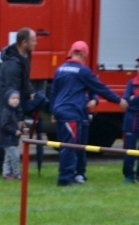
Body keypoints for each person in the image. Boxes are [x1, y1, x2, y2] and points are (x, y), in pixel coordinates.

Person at [49, 41, 127, 186]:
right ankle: (65, 178)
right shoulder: (83, 71)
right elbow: (100, 88)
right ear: (84, 55)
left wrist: (53, 111)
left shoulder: (60, 70)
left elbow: (54, 92)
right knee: (71, 146)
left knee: (70, 145)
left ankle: (74, 174)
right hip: (72, 113)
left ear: (71, 53)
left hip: (62, 112)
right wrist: (119, 101)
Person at [0, 28, 36, 176]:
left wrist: (30, 91)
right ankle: (3, 169)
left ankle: (8, 169)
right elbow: (12, 92)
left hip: (12, 99)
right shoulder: (12, 64)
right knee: (5, 137)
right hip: (4, 103)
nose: (36, 43)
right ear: (24, 43)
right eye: (33, 40)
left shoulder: (26, 54)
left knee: (12, 137)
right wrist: (20, 117)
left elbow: (24, 79)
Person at [0, 90, 23, 181]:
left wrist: (22, 129)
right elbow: (3, 125)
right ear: (7, 99)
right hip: (8, 140)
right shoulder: (6, 112)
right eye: (13, 98)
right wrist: (14, 131)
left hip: (10, 140)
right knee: (15, 157)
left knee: (8, 158)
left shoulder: (13, 112)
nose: (16, 100)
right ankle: (17, 174)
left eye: (18, 98)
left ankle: (6, 173)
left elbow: (13, 124)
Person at [122, 58, 139, 184]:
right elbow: (127, 101)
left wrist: (135, 98)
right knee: (129, 149)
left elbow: (132, 100)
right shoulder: (131, 83)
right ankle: (128, 176)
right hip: (131, 121)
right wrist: (133, 99)